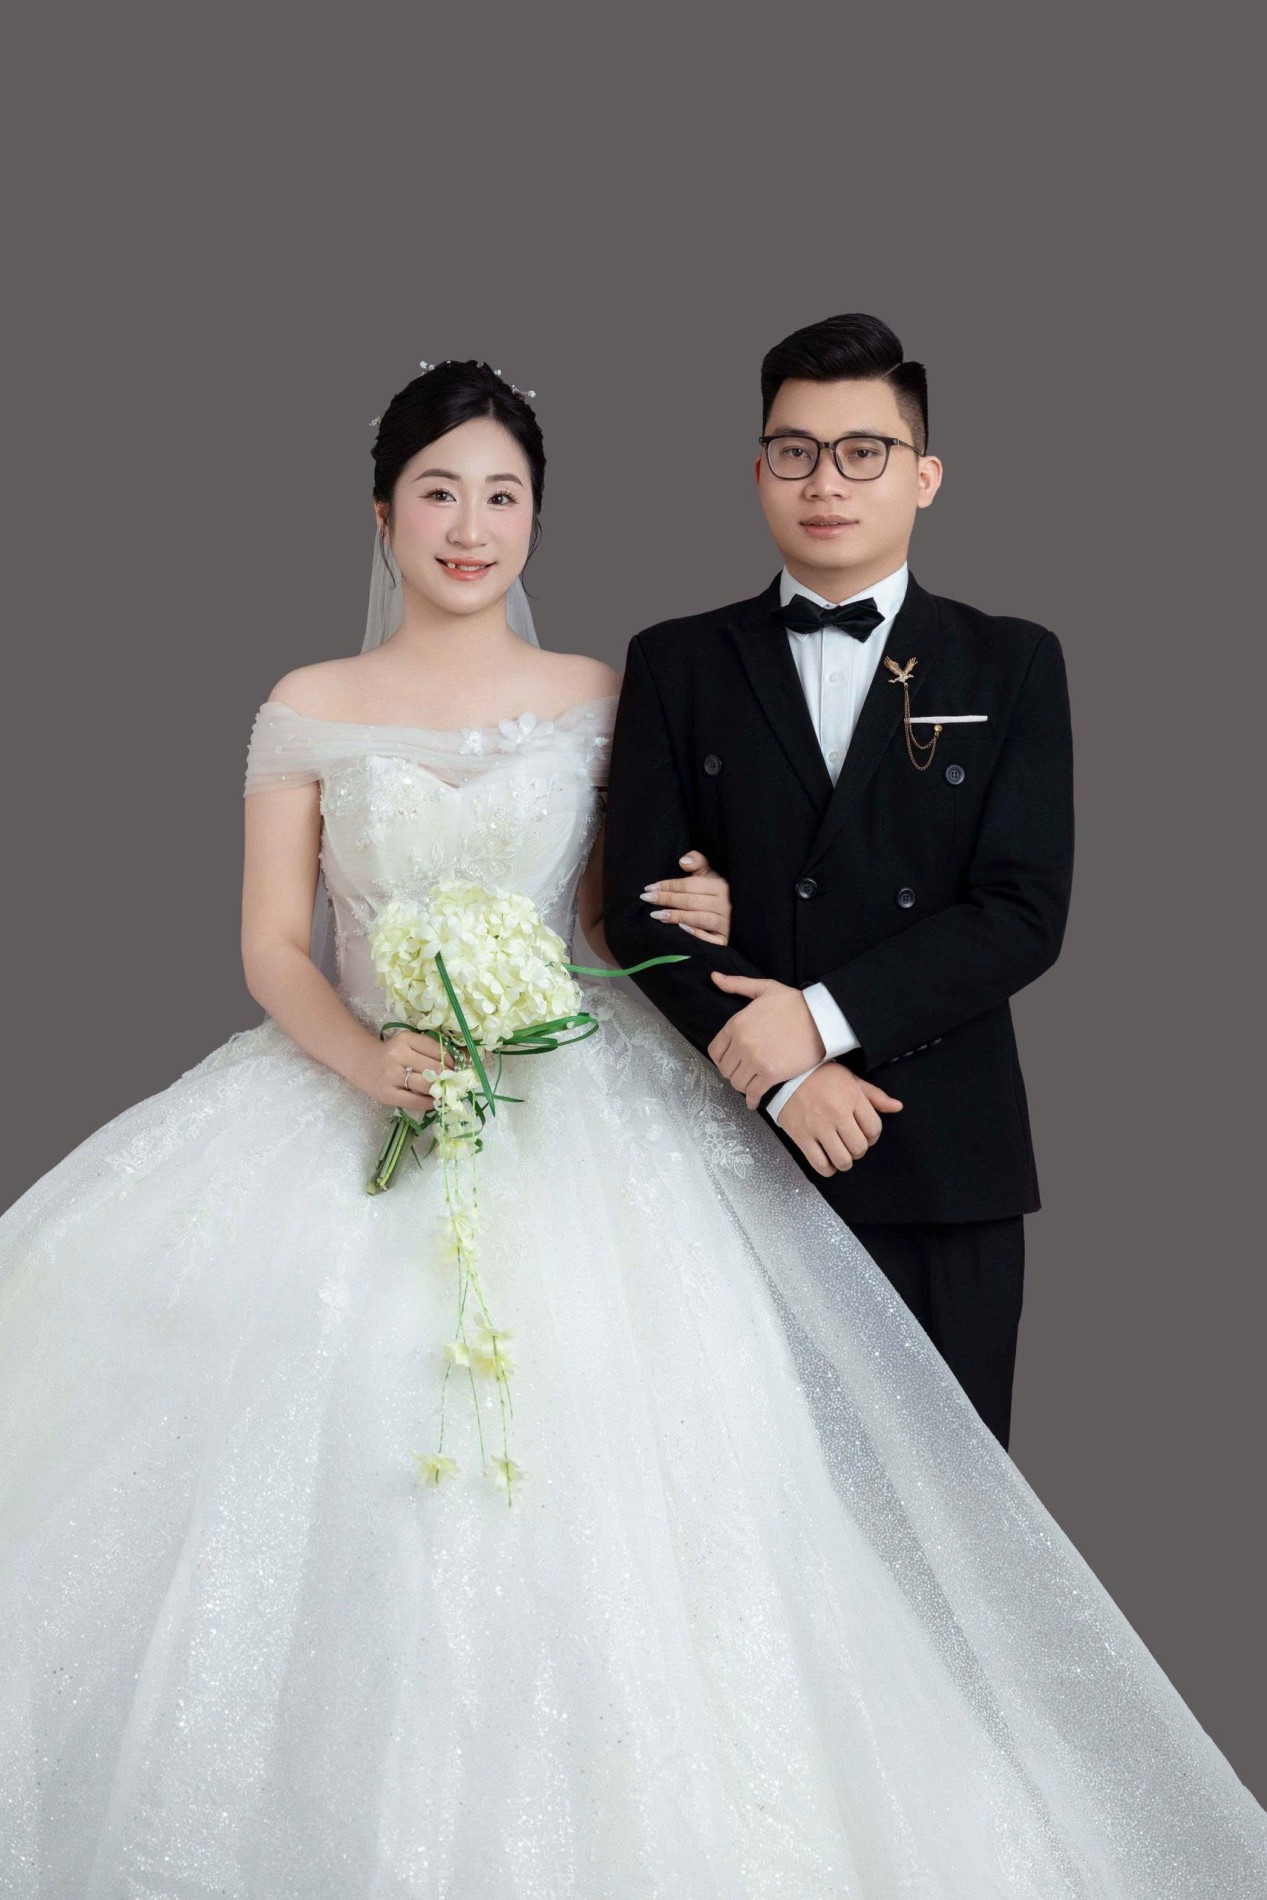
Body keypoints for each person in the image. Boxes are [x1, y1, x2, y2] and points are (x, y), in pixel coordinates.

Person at [0, 360, 1261, 1898]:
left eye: (502, 495)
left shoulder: (610, 692)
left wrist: (712, 908)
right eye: (438, 494)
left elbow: (626, 914)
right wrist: (365, 1055)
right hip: (362, 1082)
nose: (470, 527)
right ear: (382, 515)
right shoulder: (306, 705)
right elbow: (271, 943)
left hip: (578, 1107)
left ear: (537, 517)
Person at [604, 311, 1072, 1449]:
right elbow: (637, 913)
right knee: (750, 1503)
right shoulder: (675, 661)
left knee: (956, 1513)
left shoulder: (1010, 660)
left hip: (942, 1154)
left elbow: (1020, 912)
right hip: (738, 1152)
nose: (826, 481)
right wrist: (780, 1084)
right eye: (795, 450)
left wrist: (814, 1023)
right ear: (758, 471)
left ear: (924, 476)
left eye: (863, 451)